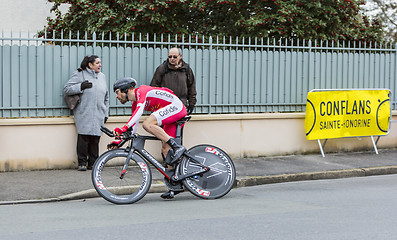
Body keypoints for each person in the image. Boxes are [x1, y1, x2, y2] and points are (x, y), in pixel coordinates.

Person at [112, 77, 187, 199]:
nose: (116, 96)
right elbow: (133, 128)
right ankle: (175, 184)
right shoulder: (135, 104)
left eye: (117, 92)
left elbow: (139, 111)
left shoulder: (141, 91)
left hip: (176, 106)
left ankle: (177, 147)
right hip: (170, 113)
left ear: (125, 90)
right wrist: (119, 142)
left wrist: (124, 127)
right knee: (165, 149)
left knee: (147, 124)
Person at [64, 55, 109, 171]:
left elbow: (106, 97)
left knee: (95, 139)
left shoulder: (102, 77)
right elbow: (67, 89)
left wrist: (106, 113)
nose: (100, 65)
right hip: (84, 112)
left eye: (100, 63)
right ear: (90, 64)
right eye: (98, 63)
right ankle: (82, 163)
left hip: (99, 112)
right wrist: (81, 86)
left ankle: (93, 163)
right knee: (83, 137)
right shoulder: (80, 74)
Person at [150, 47, 197, 115]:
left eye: (174, 57)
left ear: (180, 56)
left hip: (181, 104)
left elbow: (191, 87)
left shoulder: (186, 69)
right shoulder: (162, 68)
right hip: (165, 105)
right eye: (170, 56)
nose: (172, 59)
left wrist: (191, 104)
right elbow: (154, 87)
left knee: (179, 125)